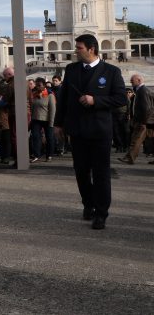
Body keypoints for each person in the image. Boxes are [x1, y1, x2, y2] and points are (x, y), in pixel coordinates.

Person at [54, 34, 126, 230]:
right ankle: (88, 204)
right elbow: (64, 99)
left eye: (79, 48)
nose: (75, 50)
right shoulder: (71, 69)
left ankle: (101, 213)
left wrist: (96, 101)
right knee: (81, 172)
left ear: (91, 49)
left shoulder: (111, 71)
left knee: (101, 173)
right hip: (77, 130)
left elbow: (121, 99)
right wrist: (58, 123)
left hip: (100, 131)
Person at [118, 74, 154, 165]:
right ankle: (129, 157)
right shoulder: (140, 90)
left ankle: (130, 158)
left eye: (132, 81)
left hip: (143, 122)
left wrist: (143, 121)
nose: (131, 82)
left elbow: (146, 108)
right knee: (138, 140)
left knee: (136, 140)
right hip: (145, 121)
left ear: (139, 80)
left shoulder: (143, 91)